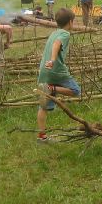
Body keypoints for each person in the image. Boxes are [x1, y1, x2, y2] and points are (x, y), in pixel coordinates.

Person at [36, 8, 81, 143]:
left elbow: (54, 42)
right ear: (70, 22)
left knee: (43, 106)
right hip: (56, 70)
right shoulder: (65, 34)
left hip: (44, 71)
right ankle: (52, 88)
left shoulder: (53, 33)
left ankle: (42, 136)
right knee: (76, 91)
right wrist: (53, 59)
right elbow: (57, 44)